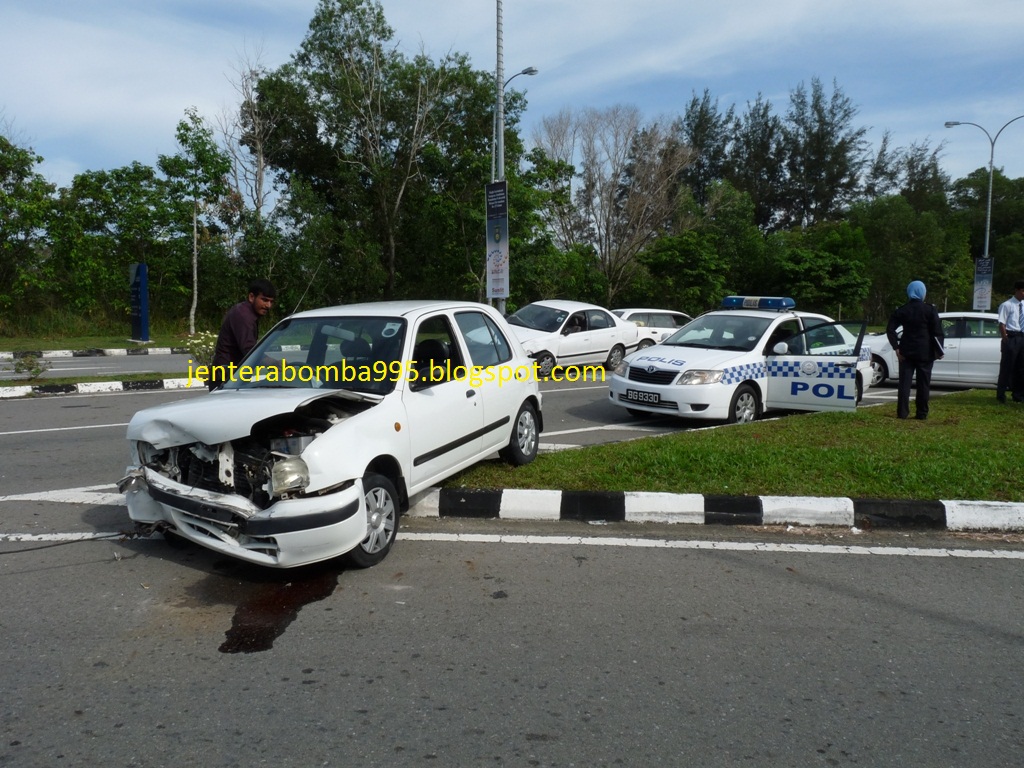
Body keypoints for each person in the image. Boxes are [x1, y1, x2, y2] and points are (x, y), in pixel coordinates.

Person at [886, 280, 944, 420]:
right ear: (923, 293)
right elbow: (937, 332)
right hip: (925, 352)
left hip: (906, 351)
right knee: (923, 384)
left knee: (904, 384)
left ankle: (902, 412)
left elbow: (890, 329)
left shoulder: (902, 310)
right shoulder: (930, 310)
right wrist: (940, 350)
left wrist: (896, 347)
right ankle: (921, 413)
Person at [207, 278, 276, 390]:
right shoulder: (243, 315)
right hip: (226, 378)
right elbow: (249, 350)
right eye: (264, 300)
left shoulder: (247, 313)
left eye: (271, 302)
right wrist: (274, 363)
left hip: (233, 377)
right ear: (251, 297)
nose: (268, 306)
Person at [996, 281, 1024, 403]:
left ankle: (1018, 394)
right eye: (1023, 291)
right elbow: (1002, 323)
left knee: (1021, 368)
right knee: (1007, 367)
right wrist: (1005, 338)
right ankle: (1001, 394)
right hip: (1011, 337)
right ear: (1017, 290)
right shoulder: (1007, 305)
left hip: (1022, 337)